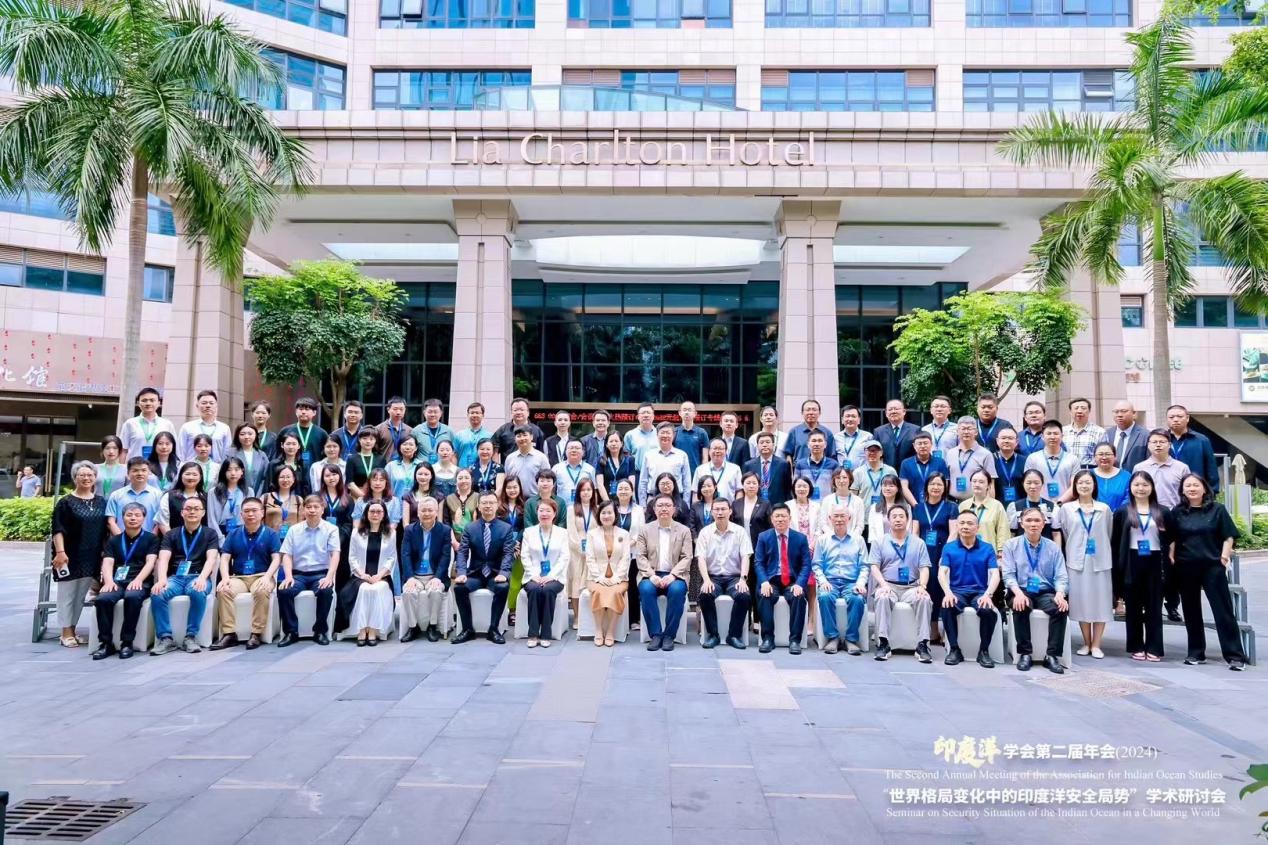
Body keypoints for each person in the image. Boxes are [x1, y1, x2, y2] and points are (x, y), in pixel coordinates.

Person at [1164, 473, 1247, 670]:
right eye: (1188, 486)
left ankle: (1235, 655)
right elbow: (1172, 537)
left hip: (1212, 566)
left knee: (1223, 611)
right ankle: (1196, 652)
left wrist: (1224, 556)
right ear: (1182, 490)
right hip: (1186, 566)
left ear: (1204, 488)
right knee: (1191, 610)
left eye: (1196, 485)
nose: (1192, 489)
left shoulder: (1217, 509)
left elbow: (1228, 535)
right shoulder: (1178, 512)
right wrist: (1172, 555)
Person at [1002, 508, 1070, 674]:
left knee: (1060, 608)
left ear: (1043, 523)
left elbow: (1061, 575)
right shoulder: (1011, 545)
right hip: (1020, 590)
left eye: (1037, 520)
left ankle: (1052, 655)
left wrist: (1060, 594)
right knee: (1020, 605)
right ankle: (1025, 653)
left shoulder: (1053, 547)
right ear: (1021, 523)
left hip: (1045, 591)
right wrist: (1018, 594)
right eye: (1029, 520)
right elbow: (1008, 574)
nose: (1033, 524)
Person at [149, 496, 219, 655]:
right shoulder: (171, 534)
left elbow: (211, 559)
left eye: (196, 509)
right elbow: (163, 558)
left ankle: (190, 637)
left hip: (197, 576)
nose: (192, 512)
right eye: (188, 509)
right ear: (182, 513)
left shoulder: (210, 533)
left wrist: (202, 578)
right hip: (176, 578)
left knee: (197, 591)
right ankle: (166, 638)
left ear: (203, 513)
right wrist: (162, 580)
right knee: (158, 593)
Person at [210, 497, 281, 651]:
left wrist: (268, 577)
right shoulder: (233, 534)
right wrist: (225, 578)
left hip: (262, 575)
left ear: (262, 513)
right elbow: (225, 558)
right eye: (246, 511)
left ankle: (256, 633)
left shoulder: (271, 534)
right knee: (223, 590)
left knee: (261, 590)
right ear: (241, 514)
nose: (250, 514)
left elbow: (276, 558)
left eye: (254, 510)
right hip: (239, 577)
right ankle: (229, 634)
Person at [1111, 471, 1168, 662]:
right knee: (1133, 606)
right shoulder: (1123, 511)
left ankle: (1154, 647)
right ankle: (1136, 645)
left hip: (1155, 560)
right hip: (1131, 560)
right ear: (1130, 487)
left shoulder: (1162, 511)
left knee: (1154, 606)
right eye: (1136, 485)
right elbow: (1115, 541)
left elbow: (1171, 539)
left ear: (1152, 487)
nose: (1140, 488)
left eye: (1145, 485)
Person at [50, 461, 107, 648]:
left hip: (91, 557)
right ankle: (65, 633)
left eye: (90, 475)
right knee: (67, 595)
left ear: (95, 478)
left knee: (80, 596)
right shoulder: (66, 502)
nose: (86, 478)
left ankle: (72, 631)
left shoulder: (101, 501)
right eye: (82, 475)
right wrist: (60, 552)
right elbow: (57, 529)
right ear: (75, 478)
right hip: (68, 556)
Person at [92, 502, 159, 660]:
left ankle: (127, 642)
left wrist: (139, 579)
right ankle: (105, 643)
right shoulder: (114, 540)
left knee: (132, 597)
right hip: (117, 581)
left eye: (137, 515)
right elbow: (107, 563)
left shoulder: (151, 539)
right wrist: (108, 582)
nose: (133, 518)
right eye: (129, 515)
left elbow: (150, 562)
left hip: (140, 581)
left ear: (144, 518)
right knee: (102, 599)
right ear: (122, 518)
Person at [1058, 470, 1113, 658]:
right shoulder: (1067, 509)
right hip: (1076, 561)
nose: (1084, 485)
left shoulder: (1104, 509)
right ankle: (1086, 642)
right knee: (1081, 602)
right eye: (1080, 482)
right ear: (1074, 486)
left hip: (1100, 560)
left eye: (1088, 482)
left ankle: (1097, 644)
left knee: (1100, 602)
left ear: (1094, 485)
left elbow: (1108, 532)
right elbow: (1065, 533)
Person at [869, 504, 934, 662]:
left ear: (907, 519)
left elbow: (924, 568)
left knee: (924, 599)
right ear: (888, 520)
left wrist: (922, 586)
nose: (898, 520)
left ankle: (923, 644)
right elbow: (874, 567)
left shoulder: (918, 543)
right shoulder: (879, 542)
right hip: (888, 585)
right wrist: (883, 585)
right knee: (882, 598)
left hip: (911, 586)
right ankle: (883, 643)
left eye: (901, 516)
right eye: (894, 517)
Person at [937, 510, 1000, 668]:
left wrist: (988, 595)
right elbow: (941, 573)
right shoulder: (949, 548)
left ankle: (984, 651)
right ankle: (954, 649)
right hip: (957, 592)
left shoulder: (987, 548)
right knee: (947, 606)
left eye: (970, 523)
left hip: (980, 593)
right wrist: (948, 593)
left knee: (988, 611)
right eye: (962, 523)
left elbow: (995, 574)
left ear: (977, 527)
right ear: (957, 526)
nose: (965, 526)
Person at [275, 495, 340, 647]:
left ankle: (320, 631)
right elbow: (287, 555)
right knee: (284, 590)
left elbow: (335, 554)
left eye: (316, 507)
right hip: (298, 575)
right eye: (309, 507)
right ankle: (291, 632)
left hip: (321, 574)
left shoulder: (331, 529)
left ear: (322, 510)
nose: (312, 510)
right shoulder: (294, 530)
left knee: (325, 591)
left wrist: (329, 577)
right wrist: (288, 576)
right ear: (303, 510)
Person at [453, 492, 515, 644]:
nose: (488, 506)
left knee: (502, 587)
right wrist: (461, 572)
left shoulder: (506, 528)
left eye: (491, 503)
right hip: (476, 574)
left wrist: (504, 573)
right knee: (459, 588)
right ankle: (467, 629)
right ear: (479, 506)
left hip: (495, 574)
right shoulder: (470, 528)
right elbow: (462, 552)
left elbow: (508, 553)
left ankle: (493, 629)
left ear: (497, 505)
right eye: (484, 503)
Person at [634, 493, 693, 652]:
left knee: (677, 590)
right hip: (651, 574)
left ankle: (669, 635)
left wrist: (673, 575)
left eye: (667, 505)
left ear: (674, 509)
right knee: (646, 589)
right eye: (660, 505)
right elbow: (640, 556)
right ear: (654, 509)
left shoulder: (684, 530)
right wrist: (651, 575)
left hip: (676, 575)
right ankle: (656, 635)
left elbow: (687, 557)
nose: (664, 509)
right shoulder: (645, 530)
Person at [696, 498, 753, 650]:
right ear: (712, 512)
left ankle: (733, 635)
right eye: (716, 509)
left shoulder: (740, 531)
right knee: (705, 595)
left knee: (743, 595)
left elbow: (745, 557)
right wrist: (706, 580)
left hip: (734, 577)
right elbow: (700, 558)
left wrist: (743, 579)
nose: (720, 512)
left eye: (723, 509)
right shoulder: (705, 532)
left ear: (730, 511)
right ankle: (713, 635)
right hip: (713, 577)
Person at [754, 503, 811, 654]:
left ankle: (795, 640)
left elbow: (806, 564)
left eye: (783, 516)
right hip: (771, 580)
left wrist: (799, 584)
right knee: (764, 595)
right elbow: (758, 562)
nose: (780, 519)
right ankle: (767, 638)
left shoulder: (800, 538)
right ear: (772, 519)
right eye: (777, 516)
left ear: (789, 518)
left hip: (792, 580)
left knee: (798, 596)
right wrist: (764, 582)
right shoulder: (764, 537)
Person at [812, 503, 868, 655]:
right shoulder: (823, 540)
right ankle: (833, 638)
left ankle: (851, 639)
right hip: (830, 582)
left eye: (842, 516)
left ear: (849, 518)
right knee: (825, 597)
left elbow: (864, 566)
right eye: (835, 516)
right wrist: (823, 581)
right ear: (830, 518)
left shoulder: (858, 540)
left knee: (857, 599)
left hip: (851, 582)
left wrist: (860, 583)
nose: (839, 519)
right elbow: (816, 565)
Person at [341, 500, 397, 646]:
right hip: (360, 576)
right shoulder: (356, 533)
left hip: (382, 577)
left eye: (379, 512)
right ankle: (361, 629)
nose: (375, 514)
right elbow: (352, 557)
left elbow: (391, 558)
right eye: (372, 511)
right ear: (366, 514)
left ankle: (372, 629)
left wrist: (380, 576)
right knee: (365, 589)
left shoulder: (391, 533)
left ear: (384, 514)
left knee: (376, 589)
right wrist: (362, 574)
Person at [399, 496, 452, 642]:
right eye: (423, 510)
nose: (427, 513)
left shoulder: (445, 530)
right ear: (418, 513)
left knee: (436, 591)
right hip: (415, 575)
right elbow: (405, 554)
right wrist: (410, 577)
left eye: (430, 510)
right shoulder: (410, 530)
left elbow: (445, 556)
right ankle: (413, 627)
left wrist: (438, 577)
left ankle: (432, 626)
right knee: (408, 592)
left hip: (434, 574)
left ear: (436, 512)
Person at [519, 497, 569, 647]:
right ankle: (533, 634)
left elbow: (564, 557)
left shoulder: (562, 533)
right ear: (537, 513)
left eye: (548, 511)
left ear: (554, 514)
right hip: (532, 576)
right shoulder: (529, 532)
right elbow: (525, 556)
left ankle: (546, 634)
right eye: (541, 510)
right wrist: (534, 575)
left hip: (555, 577)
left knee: (547, 590)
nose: (544, 514)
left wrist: (551, 575)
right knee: (534, 589)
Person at [915, 473, 955, 645]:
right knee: (928, 587)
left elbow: (953, 532)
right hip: (924, 552)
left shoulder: (951, 507)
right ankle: (931, 630)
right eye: (932, 484)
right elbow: (915, 532)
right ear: (926, 487)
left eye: (939, 484)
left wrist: (945, 554)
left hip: (943, 552)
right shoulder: (918, 508)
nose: (936, 487)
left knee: (942, 588)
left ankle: (944, 629)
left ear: (944, 487)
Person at [585, 500, 631, 647]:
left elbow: (625, 558)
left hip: (619, 578)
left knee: (615, 592)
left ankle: (610, 631)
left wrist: (617, 578)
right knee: (598, 592)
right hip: (596, 577)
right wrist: (599, 577)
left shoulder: (624, 534)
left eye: (609, 512)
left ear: (615, 515)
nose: (606, 516)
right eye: (603, 513)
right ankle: (598, 630)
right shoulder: (592, 534)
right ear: (599, 515)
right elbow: (590, 558)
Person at [612, 478, 645, 630]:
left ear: (632, 492)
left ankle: (633, 620)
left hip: (633, 553)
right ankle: (616, 619)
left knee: (632, 587)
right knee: (616, 584)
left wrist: (627, 544)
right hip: (613, 554)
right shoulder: (611, 508)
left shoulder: (638, 510)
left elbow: (641, 531)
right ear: (616, 491)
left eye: (627, 488)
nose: (623, 491)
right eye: (620, 488)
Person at [1166, 405, 1220, 493]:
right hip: (1168, 492)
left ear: (1187, 418)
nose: (1175, 419)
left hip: (1194, 492)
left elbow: (1211, 469)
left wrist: (1212, 492)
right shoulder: (1161, 440)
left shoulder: (1201, 440)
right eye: (1171, 417)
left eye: (1179, 416)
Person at [567, 478, 598, 625]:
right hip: (576, 552)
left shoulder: (597, 509)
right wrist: (581, 549)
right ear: (578, 492)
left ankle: (590, 616)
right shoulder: (571, 509)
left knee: (590, 582)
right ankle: (577, 617)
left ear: (593, 492)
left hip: (594, 552)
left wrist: (591, 550)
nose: (586, 493)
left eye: (588, 490)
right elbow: (571, 532)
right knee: (576, 583)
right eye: (583, 490)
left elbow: (600, 531)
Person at [957, 470, 1010, 558]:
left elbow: (1003, 531)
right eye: (974, 481)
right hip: (965, 553)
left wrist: (1001, 552)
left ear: (988, 485)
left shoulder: (997, 506)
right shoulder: (963, 506)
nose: (977, 484)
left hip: (988, 555)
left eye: (981, 482)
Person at [1024, 420, 1079, 503]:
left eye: (1056, 433)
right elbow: (1029, 484)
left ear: (1062, 436)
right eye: (1049, 433)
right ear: (1042, 437)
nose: (1052, 437)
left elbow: (1074, 486)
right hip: (1040, 505)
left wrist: (1059, 503)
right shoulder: (1033, 458)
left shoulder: (1072, 459)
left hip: (1065, 505)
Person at [106, 457, 162, 535]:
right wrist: (121, 539)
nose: (140, 473)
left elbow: (159, 522)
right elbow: (111, 521)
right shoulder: (116, 495)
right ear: (128, 473)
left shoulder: (158, 495)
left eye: (144, 470)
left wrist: (150, 539)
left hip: (149, 540)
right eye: (135, 470)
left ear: (149, 473)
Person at [945, 416, 996, 501]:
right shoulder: (950, 453)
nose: (966, 432)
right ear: (957, 431)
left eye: (969, 429)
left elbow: (991, 484)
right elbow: (946, 480)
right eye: (963, 429)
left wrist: (990, 505)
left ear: (976, 432)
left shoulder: (986, 454)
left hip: (976, 502)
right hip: (953, 502)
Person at [639, 422, 691, 505]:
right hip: (653, 499)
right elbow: (643, 481)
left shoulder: (682, 455)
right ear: (657, 435)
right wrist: (643, 505)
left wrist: (686, 504)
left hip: (676, 500)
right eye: (662, 433)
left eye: (668, 433)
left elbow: (687, 483)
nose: (665, 435)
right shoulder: (648, 455)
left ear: (673, 435)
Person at [119, 386, 176, 461]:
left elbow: (174, 449)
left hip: (159, 466)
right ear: (138, 403)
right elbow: (123, 450)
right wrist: (122, 467)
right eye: (144, 400)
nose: (148, 403)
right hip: (136, 466)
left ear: (159, 403)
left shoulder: (167, 424)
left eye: (152, 400)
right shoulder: (130, 424)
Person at [1005, 470, 1062, 542]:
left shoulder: (1052, 507)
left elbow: (1056, 533)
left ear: (1042, 484)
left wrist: (1057, 549)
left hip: (1046, 548)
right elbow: (1012, 533)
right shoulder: (1015, 507)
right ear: (1023, 484)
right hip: (1021, 548)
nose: (1032, 486)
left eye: (1036, 483)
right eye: (1028, 483)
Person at [177, 389, 232, 462]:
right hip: (192, 467)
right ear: (197, 406)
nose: (208, 406)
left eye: (211, 403)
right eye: (204, 403)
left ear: (216, 406)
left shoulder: (224, 428)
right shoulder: (187, 427)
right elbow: (180, 453)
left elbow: (227, 453)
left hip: (216, 468)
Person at [157, 463, 211, 537]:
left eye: (194, 475)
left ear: (200, 477)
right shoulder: (168, 496)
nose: (191, 477)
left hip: (200, 540)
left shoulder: (207, 498)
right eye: (187, 474)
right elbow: (163, 523)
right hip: (173, 540)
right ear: (181, 475)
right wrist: (172, 540)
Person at [279, 396, 329, 472]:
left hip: (314, 472)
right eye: (301, 409)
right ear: (296, 412)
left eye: (307, 409)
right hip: (290, 473)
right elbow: (278, 453)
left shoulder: (322, 433)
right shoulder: (285, 431)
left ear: (314, 412)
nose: (303, 412)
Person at [899, 433, 949, 507]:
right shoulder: (906, 463)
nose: (922, 446)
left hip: (936, 505)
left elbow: (945, 485)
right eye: (919, 443)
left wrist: (935, 503)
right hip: (914, 505)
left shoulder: (940, 462)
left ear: (931, 444)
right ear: (914, 446)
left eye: (925, 443)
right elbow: (904, 487)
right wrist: (916, 506)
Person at [504, 426, 551, 499]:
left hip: (536, 499)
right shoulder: (510, 458)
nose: (522, 438)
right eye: (519, 436)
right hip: (516, 500)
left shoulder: (541, 457)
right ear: (515, 439)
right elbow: (507, 480)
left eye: (525, 435)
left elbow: (548, 480)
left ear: (531, 437)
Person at [744, 432, 792, 504]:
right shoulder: (749, 465)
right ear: (757, 446)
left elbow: (788, 488)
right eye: (761, 443)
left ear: (773, 445)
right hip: (756, 505)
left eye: (767, 442)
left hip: (777, 504)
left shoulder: (783, 464)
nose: (764, 445)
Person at [873, 399, 921, 469]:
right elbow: (876, 454)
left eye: (896, 409)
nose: (893, 411)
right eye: (890, 409)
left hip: (909, 470)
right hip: (887, 472)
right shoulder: (879, 431)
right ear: (886, 413)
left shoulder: (915, 430)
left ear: (904, 411)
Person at [1101, 400, 1149, 471]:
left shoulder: (1145, 435)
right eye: (1116, 412)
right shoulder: (1107, 434)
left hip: (1135, 476)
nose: (1119, 415)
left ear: (1134, 414)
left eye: (1124, 411)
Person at [817, 467, 865, 537]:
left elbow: (860, 525)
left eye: (844, 477)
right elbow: (823, 523)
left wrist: (851, 538)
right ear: (834, 480)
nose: (841, 481)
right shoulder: (827, 500)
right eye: (838, 478)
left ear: (850, 480)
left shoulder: (858, 501)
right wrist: (833, 537)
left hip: (852, 540)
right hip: (831, 539)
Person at [793, 431, 839, 502]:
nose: (817, 444)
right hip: (807, 504)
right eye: (813, 441)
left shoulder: (833, 464)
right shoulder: (800, 464)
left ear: (825, 444)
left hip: (827, 504)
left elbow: (838, 487)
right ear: (808, 444)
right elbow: (795, 486)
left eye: (820, 441)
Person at [693, 438, 743, 503]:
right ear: (709, 451)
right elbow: (695, 492)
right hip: (705, 508)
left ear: (726, 451)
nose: (717, 451)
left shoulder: (735, 469)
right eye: (715, 448)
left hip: (728, 508)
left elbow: (739, 491)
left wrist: (736, 508)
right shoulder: (700, 470)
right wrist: (696, 508)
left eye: (720, 449)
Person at [786, 399, 836, 465]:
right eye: (808, 410)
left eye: (814, 410)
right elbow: (788, 455)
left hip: (823, 469)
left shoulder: (827, 433)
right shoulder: (794, 432)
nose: (811, 412)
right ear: (802, 413)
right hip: (800, 469)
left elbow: (832, 456)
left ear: (819, 413)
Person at [208, 458, 248, 537]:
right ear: (223, 472)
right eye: (229, 470)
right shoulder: (213, 492)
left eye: (236, 469)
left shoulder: (248, 491)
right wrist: (220, 538)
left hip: (242, 532)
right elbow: (211, 519)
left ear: (242, 471)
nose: (233, 473)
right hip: (220, 531)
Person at [229, 423, 270, 496]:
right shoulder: (230, 453)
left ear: (255, 435)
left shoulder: (262, 455)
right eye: (242, 434)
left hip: (258, 496)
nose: (246, 437)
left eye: (250, 434)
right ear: (237, 436)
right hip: (234, 495)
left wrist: (259, 495)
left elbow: (266, 478)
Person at [263, 465, 304, 539]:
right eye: (282, 477)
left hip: (292, 540)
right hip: (270, 539)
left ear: (293, 479)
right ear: (276, 479)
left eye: (288, 477)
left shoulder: (299, 500)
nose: (285, 480)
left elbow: (301, 524)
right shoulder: (265, 498)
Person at [864, 475, 906, 547]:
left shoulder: (906, 508)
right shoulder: (874, 508)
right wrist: (877, 546)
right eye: (885, 486)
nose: (887, 488)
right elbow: (872, 532)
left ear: (898, 489)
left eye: (891, 486)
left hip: (900, 546)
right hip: (880, 546)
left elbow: (908, 530)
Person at [1063, 397, 1105, 468]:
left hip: (1089, 471)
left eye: (1083, 408)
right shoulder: (1063, 431)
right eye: (1076, 408)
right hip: (1067, 470)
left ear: (1089, 411)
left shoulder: (1100, 432)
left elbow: (1103, 455)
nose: (1079, 411)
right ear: (1070, 411)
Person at [851, 442, 897, 506]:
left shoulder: (890, 471)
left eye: (875, 450)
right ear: (865, 452)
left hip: (886, 510)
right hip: (864, 511)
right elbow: (853, 496)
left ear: (881, 453)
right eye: (869, 450)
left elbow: (897, 493)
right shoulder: (858, 472)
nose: (872, 453)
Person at [596, 431, 637, 502]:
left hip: (625, 499)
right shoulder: (601, 460)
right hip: (606, 499)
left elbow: (631, 484)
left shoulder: (630, 460)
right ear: (606, 444)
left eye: (616, 441)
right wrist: (608, 503)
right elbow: (600, 484)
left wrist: (624, 501)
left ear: (621, 443)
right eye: (611, 441)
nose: (614, 444)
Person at [266, 432, 310, 498]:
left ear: (299, 446)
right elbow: (268, 486)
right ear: (282, 445)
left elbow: (306, 487)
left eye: (294, 444)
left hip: (297, 501)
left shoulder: (303, 465)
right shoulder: (273, 465)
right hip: (276, 501)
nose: (291, 447)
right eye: (288, 444)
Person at [553, 439, 596, 505]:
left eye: (577, 448)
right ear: (566, 451)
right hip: (562, 508)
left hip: (583, 507)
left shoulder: (590, 469)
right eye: (571, 448)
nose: (574, 450)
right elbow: (551, 490)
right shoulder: (557, 468)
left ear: (583, 452)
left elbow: (594, 491)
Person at [345, 428, 385, 499]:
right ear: (359, 440)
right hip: (357, 496)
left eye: (371, 439)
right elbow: (350, 483)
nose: (368, 441)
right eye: (365, 438)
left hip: (377, 496)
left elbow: (384, 480)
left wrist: (374, 498)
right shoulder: (351, 459)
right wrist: (363, 497)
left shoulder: (381, 459)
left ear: (375, 441)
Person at [1092, 442, 1131, 513]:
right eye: (1100, 454)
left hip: (1119, 516)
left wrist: (1117, 513)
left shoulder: (1126, 476)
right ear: (1094, 457)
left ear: (1115, 456)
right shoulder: (1088, 475)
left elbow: (1129, 499)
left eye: (1108, 454)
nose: (1104, 457)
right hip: (1092, 516)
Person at [674, 400, 710, 475]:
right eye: (684, 410)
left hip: (696, 474)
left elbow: (705, 458)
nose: (687, 412)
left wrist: (703, 474)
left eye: (689, 410)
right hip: (677, 473)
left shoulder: (701, 433)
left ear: (695, 413)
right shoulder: (674, 432)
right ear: (680, 413)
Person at [413, 397, 454, 463]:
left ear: (441, 413)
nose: (432, 414)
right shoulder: (416, 431)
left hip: (442, 467)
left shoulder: (448, 431)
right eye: (430, 412)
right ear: (424, 413)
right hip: (422, 467)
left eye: (435, 412)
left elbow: (454, 453)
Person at [453, 401, 493, 468]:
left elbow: (492, 456)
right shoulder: (459, 435)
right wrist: (455, 470)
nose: (474, 415)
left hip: (482, 472)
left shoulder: (490, 436)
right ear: (467, 415)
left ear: (483, 415)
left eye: (477, 413)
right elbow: (454, 455)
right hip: (462, 472)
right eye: (472, 413)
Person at [623, 402, 660, 474]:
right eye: (643, 413)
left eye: (648, 412)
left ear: (653, 416)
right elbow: (625, 457)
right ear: (638, 417)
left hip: (656, 473)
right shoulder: (630, 435)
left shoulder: (659, 434)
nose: (646, 415)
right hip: (636, 473)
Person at [375, 396, 415, 462]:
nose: (398, 412)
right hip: (384, 466)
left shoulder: (410, 430)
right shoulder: (379, 429)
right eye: (395, 409)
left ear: (405, 410)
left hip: (403, 466)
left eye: (401, 409)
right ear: (388, 409)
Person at [992, 427, 1025, 506]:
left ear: (1016, 442)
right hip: (997, 506)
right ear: (997, 441)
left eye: (1010, 438)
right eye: (1003, 438)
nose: (1006, 441)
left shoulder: (1025, 460)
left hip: (1020, 506)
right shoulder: (990, 459)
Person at [96, 435, 127, 499]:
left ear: (119, 450)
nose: (111, 451)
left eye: (115, 448)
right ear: (102, 450)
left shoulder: (126, 469)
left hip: (118, 502)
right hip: (97, 503)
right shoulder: (94, 468)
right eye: (107, 448)